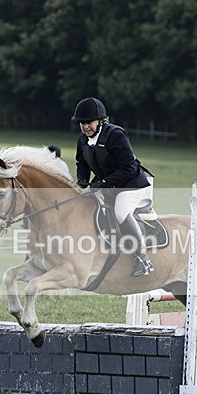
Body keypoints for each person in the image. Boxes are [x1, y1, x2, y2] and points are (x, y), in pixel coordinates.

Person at [71, 97, 154, 277]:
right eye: (82, 123)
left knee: (121, 212)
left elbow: (129, 168)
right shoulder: (83, 140)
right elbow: (81, 163)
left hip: (132, 186)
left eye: (89, 122)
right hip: (109, 187)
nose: (85, 127)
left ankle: (143, 258)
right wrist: (83, 181)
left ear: (100, 121)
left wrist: (103, 183)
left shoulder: (116, 135)